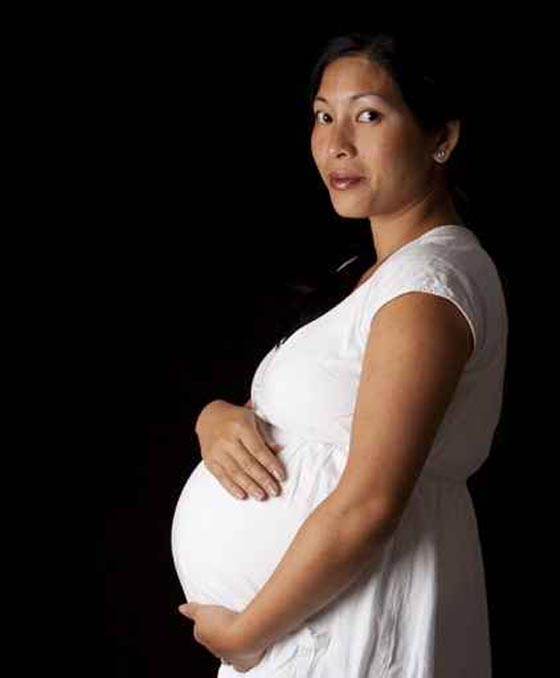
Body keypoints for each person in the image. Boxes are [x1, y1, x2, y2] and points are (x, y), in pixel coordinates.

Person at [172, 29, 507, 677]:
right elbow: (312, 420)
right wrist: (215, 419)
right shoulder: (377, 277)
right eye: (324, 117)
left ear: (441, 137)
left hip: (348, 630)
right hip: (311, 631)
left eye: (369, 115)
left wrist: (246, 634)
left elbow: (370, 505)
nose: (336, 144)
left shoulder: (428, 288)